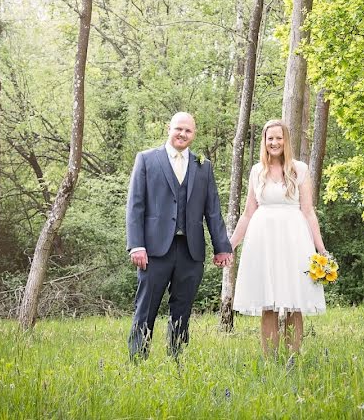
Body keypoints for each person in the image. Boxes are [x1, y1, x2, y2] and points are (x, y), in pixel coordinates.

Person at [126, 112, 233, 361]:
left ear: (194, 135)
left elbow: (213, 209)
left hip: (191, 250)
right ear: (169, 128)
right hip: (154, 250)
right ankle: (137, 360)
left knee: (182, 309)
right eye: (179, 129)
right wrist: (136, 245)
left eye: (188, 131)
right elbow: (135, 206)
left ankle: (177, 359)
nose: (183, 134)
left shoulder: (203, 165)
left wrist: (222, 247)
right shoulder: (146, 159)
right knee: (146, 308)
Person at [230, 119, 327, 357]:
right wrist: (229, 245)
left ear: (286, 140)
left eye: (279, 137)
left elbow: (308, 211)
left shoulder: (299, 169)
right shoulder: (256, 171)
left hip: (294, 240)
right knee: (268, 304)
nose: (274, 142)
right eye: (270, 138)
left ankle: (292, 358)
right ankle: (270, 360)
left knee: (294, 304)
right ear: (264, 141)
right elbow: (247, 213)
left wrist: (321, 249)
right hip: (263, 241)